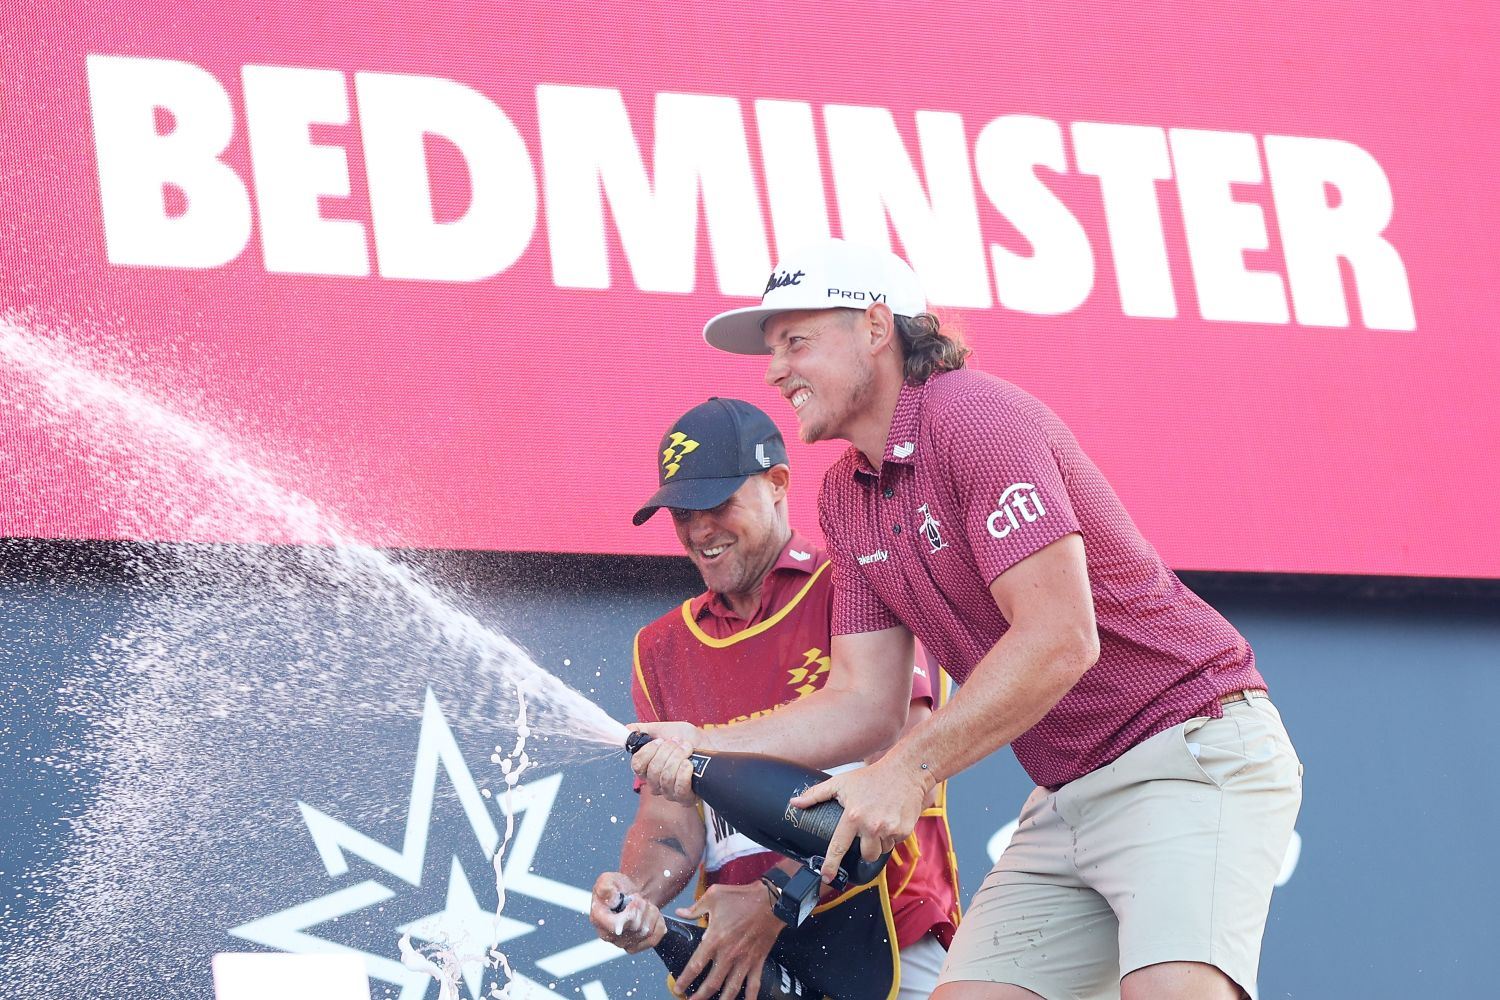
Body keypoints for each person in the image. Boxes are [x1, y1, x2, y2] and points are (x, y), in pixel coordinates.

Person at [630, 240, 1303, 1000]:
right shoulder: (846, 497)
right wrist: (700, 745)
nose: (774, 368)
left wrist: (911, 770)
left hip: (1188, 748)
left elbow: (1060, 638)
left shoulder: (975, 417)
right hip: (1066, 793)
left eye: (796, 341)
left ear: (876, 327)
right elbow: (863, 703)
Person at [589, 397, 961, 1000]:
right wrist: (636, 895)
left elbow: (905, 768)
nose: (697, 529)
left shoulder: (855, 584)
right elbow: (669, 822)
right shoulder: (658, 647)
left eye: (716, 504)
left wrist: (776, 901)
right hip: (746, 962)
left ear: (779, 483)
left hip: (885, 936)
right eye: (681, 511)